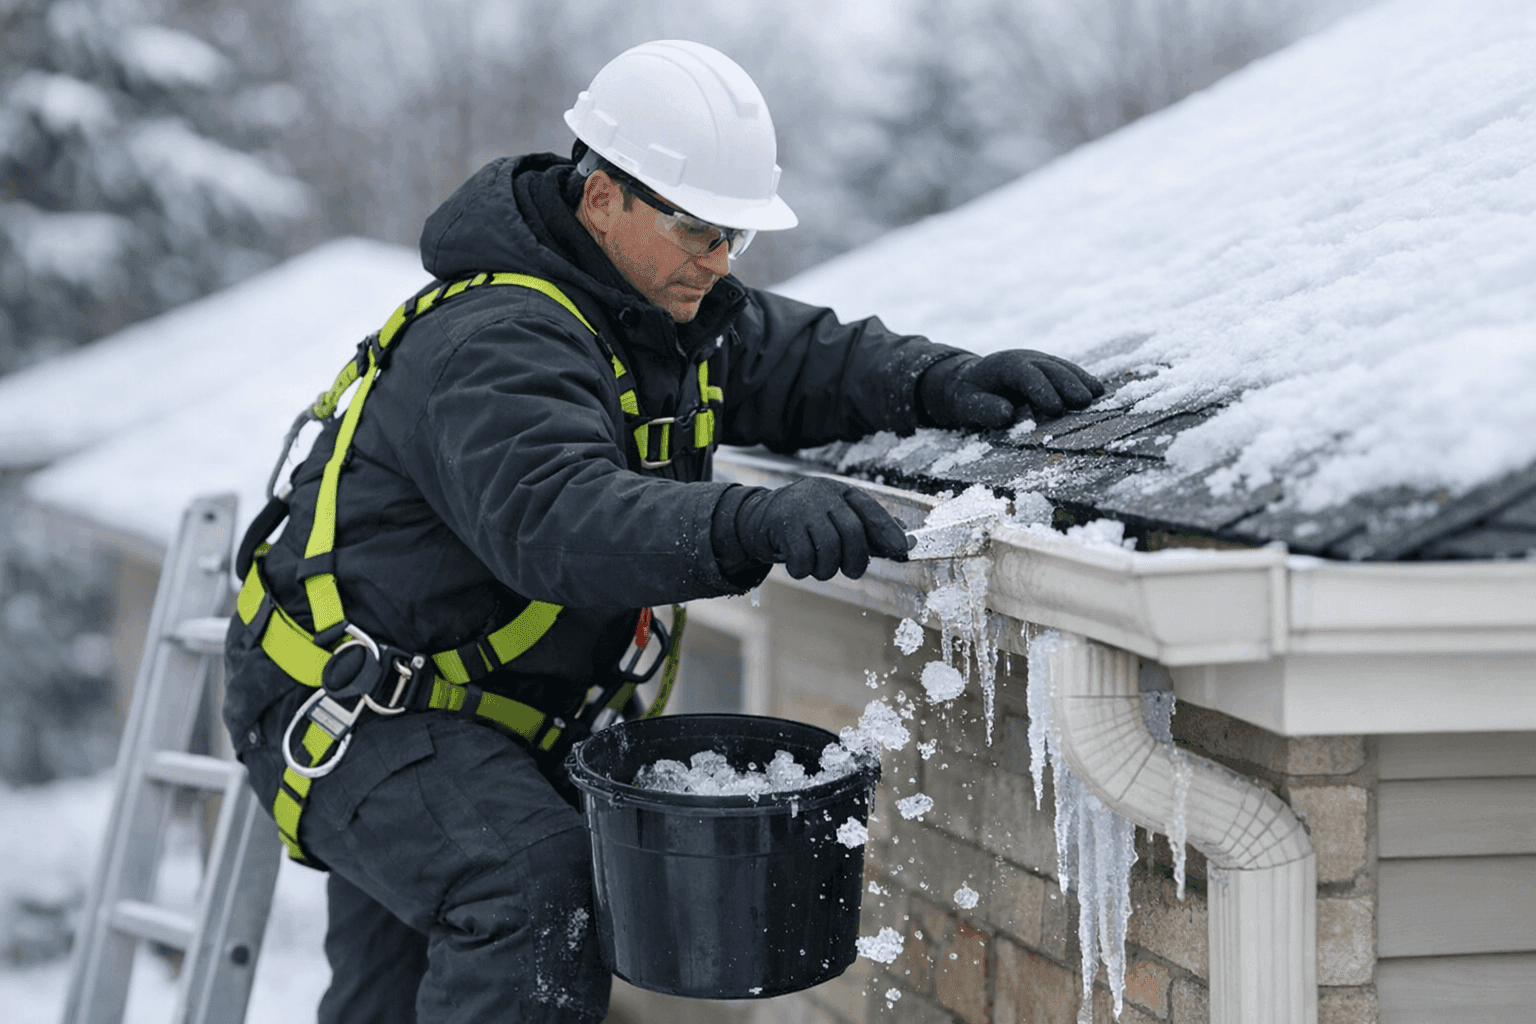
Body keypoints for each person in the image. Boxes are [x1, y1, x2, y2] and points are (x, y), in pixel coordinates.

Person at [223, 38, 1102, 1024]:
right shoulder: (498, 338)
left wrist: (942, 379)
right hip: (360, 707)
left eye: (735, 238)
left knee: (399, 990)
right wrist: (752, 519)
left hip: (472, 714)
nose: (719, 263)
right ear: (603, 199)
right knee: (528, 891)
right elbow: (557, 519)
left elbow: (809, 362)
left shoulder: (658, 312)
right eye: (699, 231)